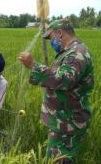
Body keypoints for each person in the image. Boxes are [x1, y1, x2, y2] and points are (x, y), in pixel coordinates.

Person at [18, 19, 94, 164]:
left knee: (59, 161)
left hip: (68, 124)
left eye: (51, 37)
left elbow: (65, 80)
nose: (51, 41)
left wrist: (34, 65)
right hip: (62, 122)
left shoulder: (77, 53)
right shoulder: (68, 53)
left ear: (60, 33)